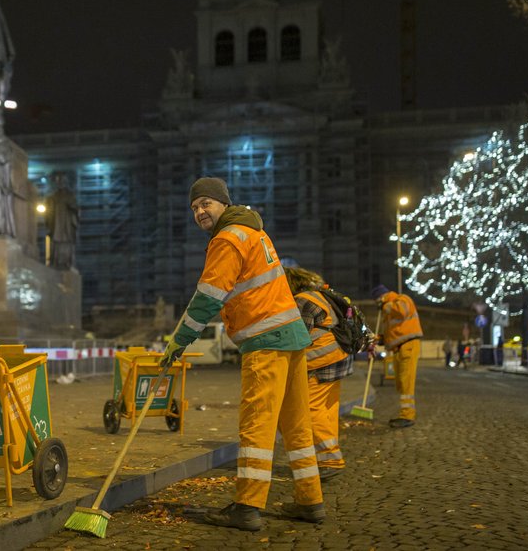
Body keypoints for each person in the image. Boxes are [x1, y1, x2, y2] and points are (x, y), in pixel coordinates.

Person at [162, 177, 324, 531]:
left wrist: (180, 338)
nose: (199, 211)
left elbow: (208, 295)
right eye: (194, 207)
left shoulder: (227, 237)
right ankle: (310, 501)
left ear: (223, 204)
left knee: (257, 425)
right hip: (292, 338)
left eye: (205, 203)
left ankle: (247, 507)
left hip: (266, 340)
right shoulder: (254, 233)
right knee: (297, 426)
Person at [284, 266, 355, 483]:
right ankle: (327, 458)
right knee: (327, 411)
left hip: (320, 362)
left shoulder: (303, 301)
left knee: (312, 412)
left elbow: (298, 336)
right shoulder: (320, 296)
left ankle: (330, 461)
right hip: (339, 358)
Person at [371, 284, 424, 428]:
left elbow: (402, 311)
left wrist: (385, 306)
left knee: (406, 381)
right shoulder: (388, 309)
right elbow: (394, 332)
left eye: (377, 301)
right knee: (401, 382)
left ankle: (407, 416)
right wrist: (381, 339)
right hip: (398, 348)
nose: (378, 304)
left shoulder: (401, 299)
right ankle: (405, 413)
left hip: (408, 345)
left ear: (382, 297)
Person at [44, 173, 79, 269]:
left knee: (66, 241)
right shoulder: (52, 197)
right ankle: (56, 261)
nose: (60, 183)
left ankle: (66, 261)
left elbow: (76, 209)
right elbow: (49, 212)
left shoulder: (70, 196)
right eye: (58, 181)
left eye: (62, 181)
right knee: (56, 241)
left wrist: (71, 206)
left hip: (66, 225)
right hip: (56, 225)